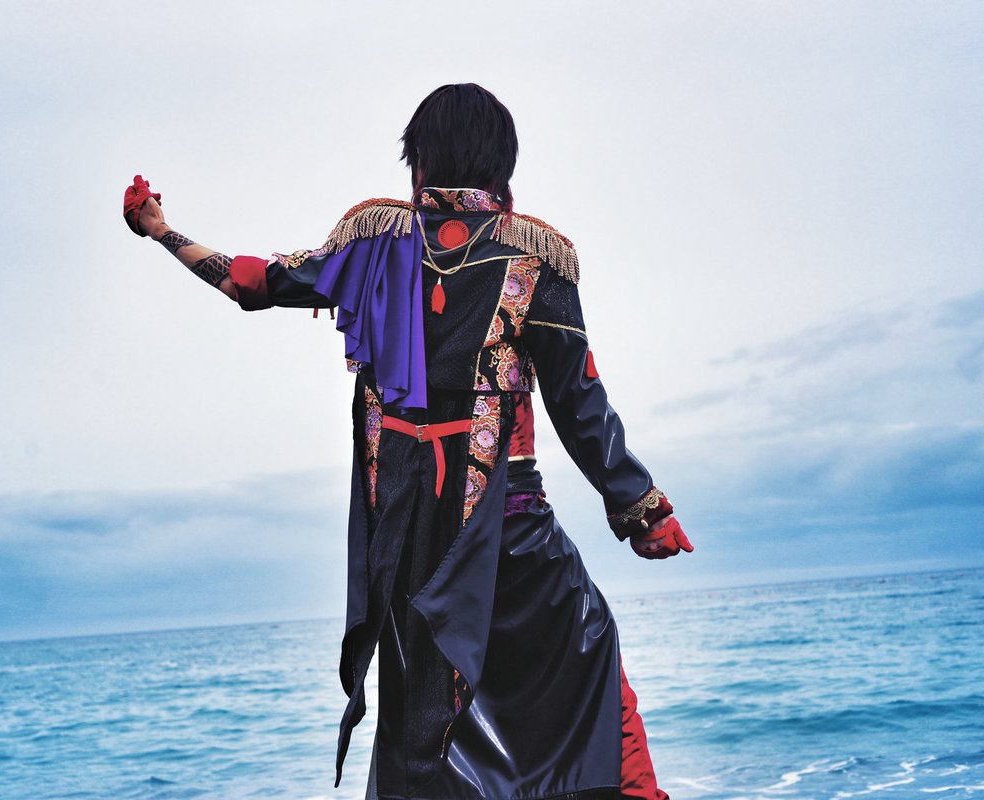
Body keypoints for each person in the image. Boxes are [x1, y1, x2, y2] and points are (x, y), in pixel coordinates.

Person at [122, 83, 693, 800]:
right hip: (508, 532)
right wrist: (643, 511)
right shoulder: (537, 258)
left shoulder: (371, 246)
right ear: (502, 164)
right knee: (587, 658)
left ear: (419, 159)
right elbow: (580, 402)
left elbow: (251, 283)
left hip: (407, 542)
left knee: (426, 719)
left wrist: (161, 229)